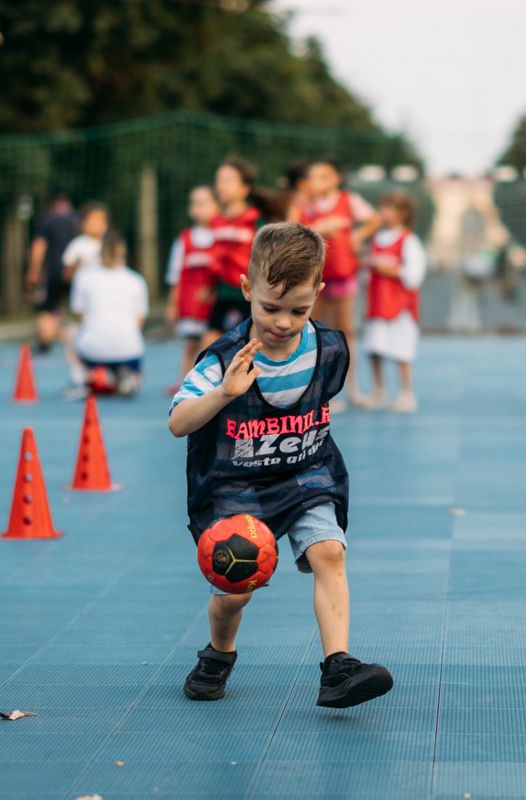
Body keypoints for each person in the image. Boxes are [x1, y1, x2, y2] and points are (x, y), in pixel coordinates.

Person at [169, 222, 393, 709]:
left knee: (330, 553)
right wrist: (223, 394)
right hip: (236, 484)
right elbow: (178, 423)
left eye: (299, 309)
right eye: (271, 307)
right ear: (248, 289)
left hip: (305, 472)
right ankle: (218, 655)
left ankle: (338, 667)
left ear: (319, 293)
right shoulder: (222, 361)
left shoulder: (330, 349)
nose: (284, 322)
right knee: (235, 593)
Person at [301, 157, 380, 407]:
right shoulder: (305, 206)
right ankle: (321, 392)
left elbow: (374, 219)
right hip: (317, 278)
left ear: (335, 179)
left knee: (346, 331)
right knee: (318, 331)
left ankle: (353, 389)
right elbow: (296, 230)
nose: (317, 182)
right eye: (313, 177)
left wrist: (358, 236)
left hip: (345, 275)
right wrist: (320, 228)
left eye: (323, 176)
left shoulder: (348, 201)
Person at [362, 190, 427, 413]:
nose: (385, 212)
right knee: (374, 348)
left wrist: (391, 269)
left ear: (404, 213)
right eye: (384, 207)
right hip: (377, 304)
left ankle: (406, 393)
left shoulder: (409, 240)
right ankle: (378, 391)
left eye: (391, 208)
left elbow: (415, 275)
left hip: (400, 307)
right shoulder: (377, 239)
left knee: (402, 351)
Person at [70, 230, 148, 398]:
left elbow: (79, 316)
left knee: (70, 332)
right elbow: (139, 322)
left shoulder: (83, 277)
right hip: (129, 351)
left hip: (91, 352)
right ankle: (125, 374)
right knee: (130, 338)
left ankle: (87, 376)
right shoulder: (136, 280)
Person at [204, 158, 265, 349]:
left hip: (248, 296)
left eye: (228, 180)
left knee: (246, 348)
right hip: (223, 295)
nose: (221, 185)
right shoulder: (215, 223)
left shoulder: (256, 222)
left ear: (245, 188)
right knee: (209, 345)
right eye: (219, 180)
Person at [165, 186, 220, 385]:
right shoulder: (185, 239)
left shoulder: (221, 236)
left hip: (214, 304)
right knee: (190, 344)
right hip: (191, 304)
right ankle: (184, 383)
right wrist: (173, 305)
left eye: (204, 203)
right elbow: (175, 275)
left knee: (212, 344)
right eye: (195, 203)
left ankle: (210, 383)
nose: (199, 208)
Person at [61, 202, 110, 396]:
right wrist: (76, 266)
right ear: (83, 224)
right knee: (74, 335)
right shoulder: (78, 245)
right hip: (83, 303)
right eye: (92, 221)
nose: (97, 225)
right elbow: (66, 274)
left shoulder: (108, 245)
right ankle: (79, 375)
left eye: (101, 221)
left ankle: (107, 374)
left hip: (105, 302)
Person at [24, 194, 78, 353]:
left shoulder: (48, 220)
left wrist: (34, 269)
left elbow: (39, 246)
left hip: (54, 273)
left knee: (46, 309)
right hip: (77, 275)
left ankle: (47, 341)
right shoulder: (78, 220)